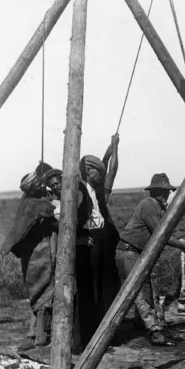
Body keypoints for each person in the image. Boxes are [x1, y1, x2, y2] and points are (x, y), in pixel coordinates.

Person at [116, 173, 185, 346]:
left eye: (166, 192)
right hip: (129, 252)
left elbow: (167, 231)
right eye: (160, 191)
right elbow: (162, 234)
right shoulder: (149, 205)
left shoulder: (158, 206)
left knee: (145, 290)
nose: (164, 195)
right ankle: (155, 331)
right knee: (140, 292)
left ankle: (140, 324)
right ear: (153, 191)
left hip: (136, 253)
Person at [1, 164, 57, 346]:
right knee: (43, 291)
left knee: (37, 292)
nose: (44, 186)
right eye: (40, 183)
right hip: (38, 253)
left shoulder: (28, 201)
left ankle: (34, 333)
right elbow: (50, 216)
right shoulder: (36, 204)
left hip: (30, 254)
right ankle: (40, 336)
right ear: (35, 187)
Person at [75, 135, 121, 346]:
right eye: (96, 172)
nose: (101, 175)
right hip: (89, 242)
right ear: (87, 172)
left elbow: (111, 171)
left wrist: (113, 150)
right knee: (90, 289)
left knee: (106, 286)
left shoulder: (98, 191)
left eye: (101, 172)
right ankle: (88, 336)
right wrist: (84, 238)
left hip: (102, 242)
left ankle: (104, 332)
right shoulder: (78, 189)